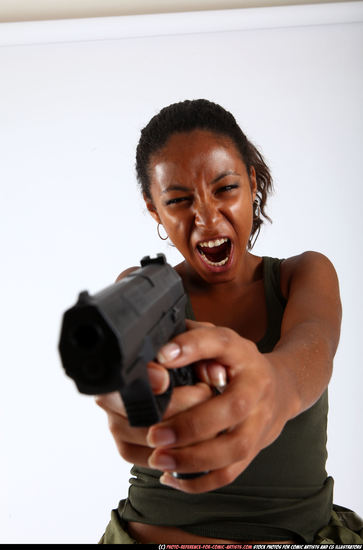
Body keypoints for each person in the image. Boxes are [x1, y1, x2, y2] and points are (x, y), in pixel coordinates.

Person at [96, 99, 363, 544]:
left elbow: (311, 349)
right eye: (178, 200)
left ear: (252, 183)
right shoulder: (143, 290)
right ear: (154, 209)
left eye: (225, 189)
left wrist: (271, 388)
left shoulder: (304, 274)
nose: (206, 217)